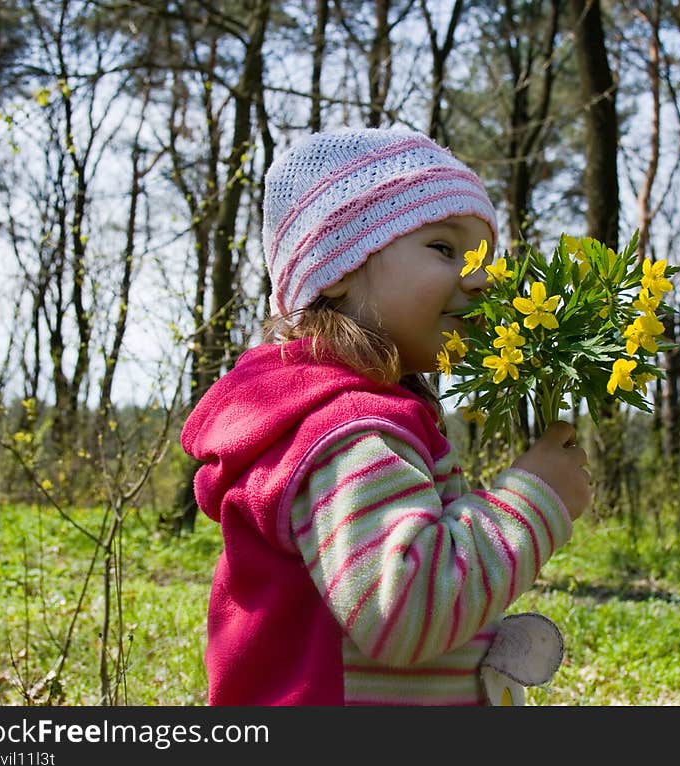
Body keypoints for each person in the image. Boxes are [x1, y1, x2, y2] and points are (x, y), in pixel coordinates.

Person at [180, 126, 592, 706]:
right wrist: (534, 501)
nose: (479, 279)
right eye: (445, 249)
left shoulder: (354, 415)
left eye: (484, 259)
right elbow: (402, 609)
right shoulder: (348, 431)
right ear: (339, 267)